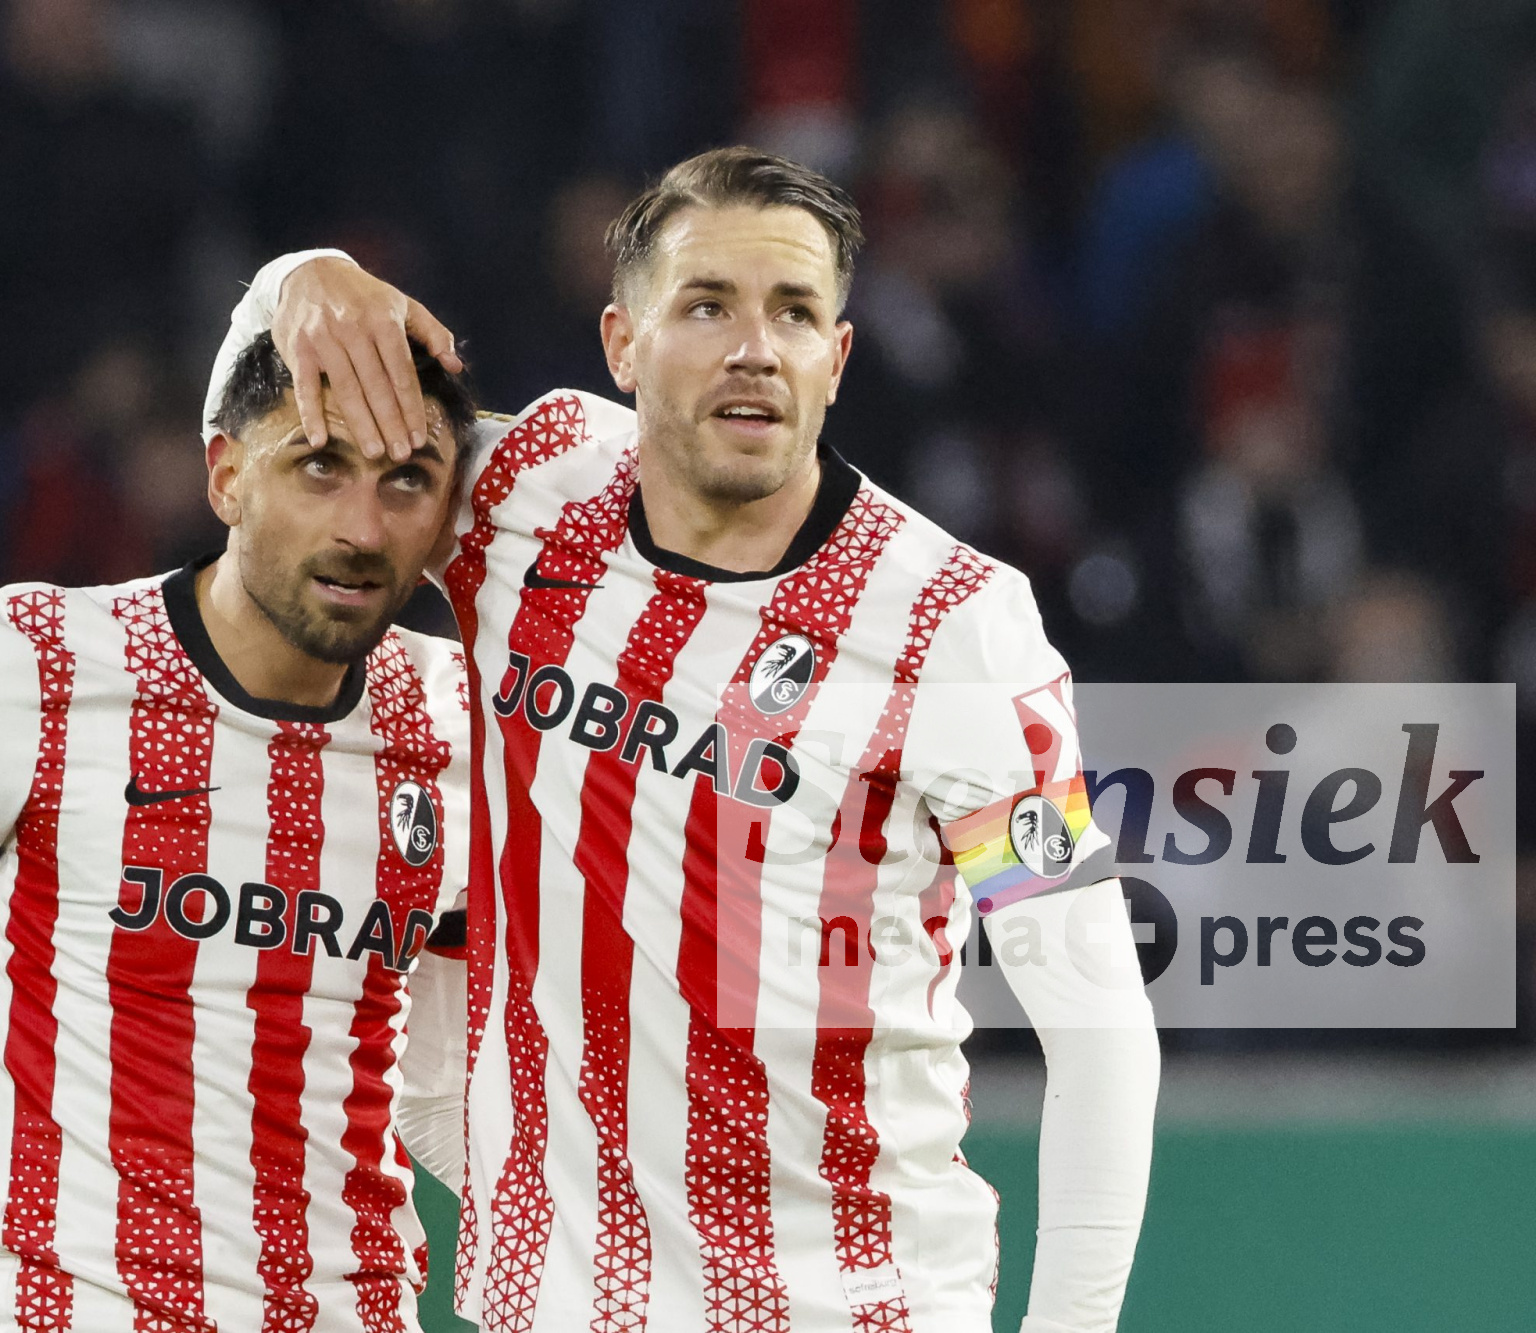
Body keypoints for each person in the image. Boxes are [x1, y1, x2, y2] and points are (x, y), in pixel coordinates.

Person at [208, 148, 1160, 1333]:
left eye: (794, 313)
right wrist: (295, 278)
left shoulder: (952, 628)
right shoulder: (527, 492)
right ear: (621, 343)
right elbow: (260, 446)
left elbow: (1096, 1026)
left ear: (835, 360)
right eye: (706, 305)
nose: (753, 347)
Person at [0, 335, 476, 1332]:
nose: (363, 525)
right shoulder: (31, 668)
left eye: (408, 480)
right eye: (319, 466)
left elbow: (431, 1083)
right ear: (226, 476)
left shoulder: (454, 724)